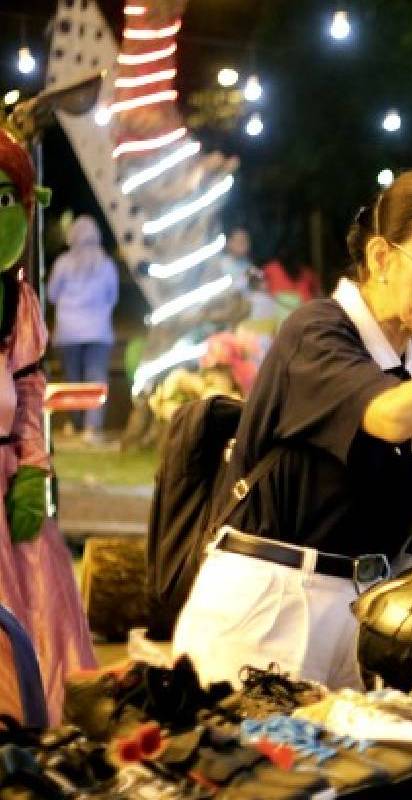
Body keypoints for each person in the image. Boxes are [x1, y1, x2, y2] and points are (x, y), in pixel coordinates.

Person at [173, 168, 412, 689]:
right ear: (382, 256)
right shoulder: (318, 331)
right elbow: (390, 417)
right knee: (261, 764)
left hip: (362, 608)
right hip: (272, 601)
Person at [0, 128, 96, 724]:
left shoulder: (15, 301)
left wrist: (33, 469)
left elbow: (30, 392)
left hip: (7, 479)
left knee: (34, 616)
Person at [46, 215, 119, 442]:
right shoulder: (106, 264)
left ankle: (76, 423)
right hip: (98, 331)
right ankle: (92, 427)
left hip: (68, 332)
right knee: (96, 379)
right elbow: (112, 296)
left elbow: (51, 294)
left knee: (73, 380)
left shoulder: (63, 263)